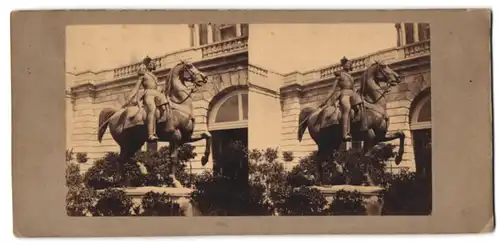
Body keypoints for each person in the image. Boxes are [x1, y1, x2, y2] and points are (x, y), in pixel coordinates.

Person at [319, 56, 368, 142]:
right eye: (347, 64)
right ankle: (345, 134)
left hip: (352, 94)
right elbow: (332, 89)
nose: (349, 65)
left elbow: (353, 88)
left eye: (350, 64)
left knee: (362, 105)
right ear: (343, 65)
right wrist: (325, 100)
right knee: (347, 108)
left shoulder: (351, 77)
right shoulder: (340, 74)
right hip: (344, 94)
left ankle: (362, 127)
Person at [124, 56, 171, 142]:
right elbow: (136, 88)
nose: (153, 64)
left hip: (157, 94)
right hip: (148, 94)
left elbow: (157, 87)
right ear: (147, 64)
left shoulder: (154, 76)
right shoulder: (143, 74)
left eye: (153, 62)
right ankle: (150, 134)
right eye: (151, 62)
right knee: (152, 110)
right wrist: (129, 99)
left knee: (166, 105)